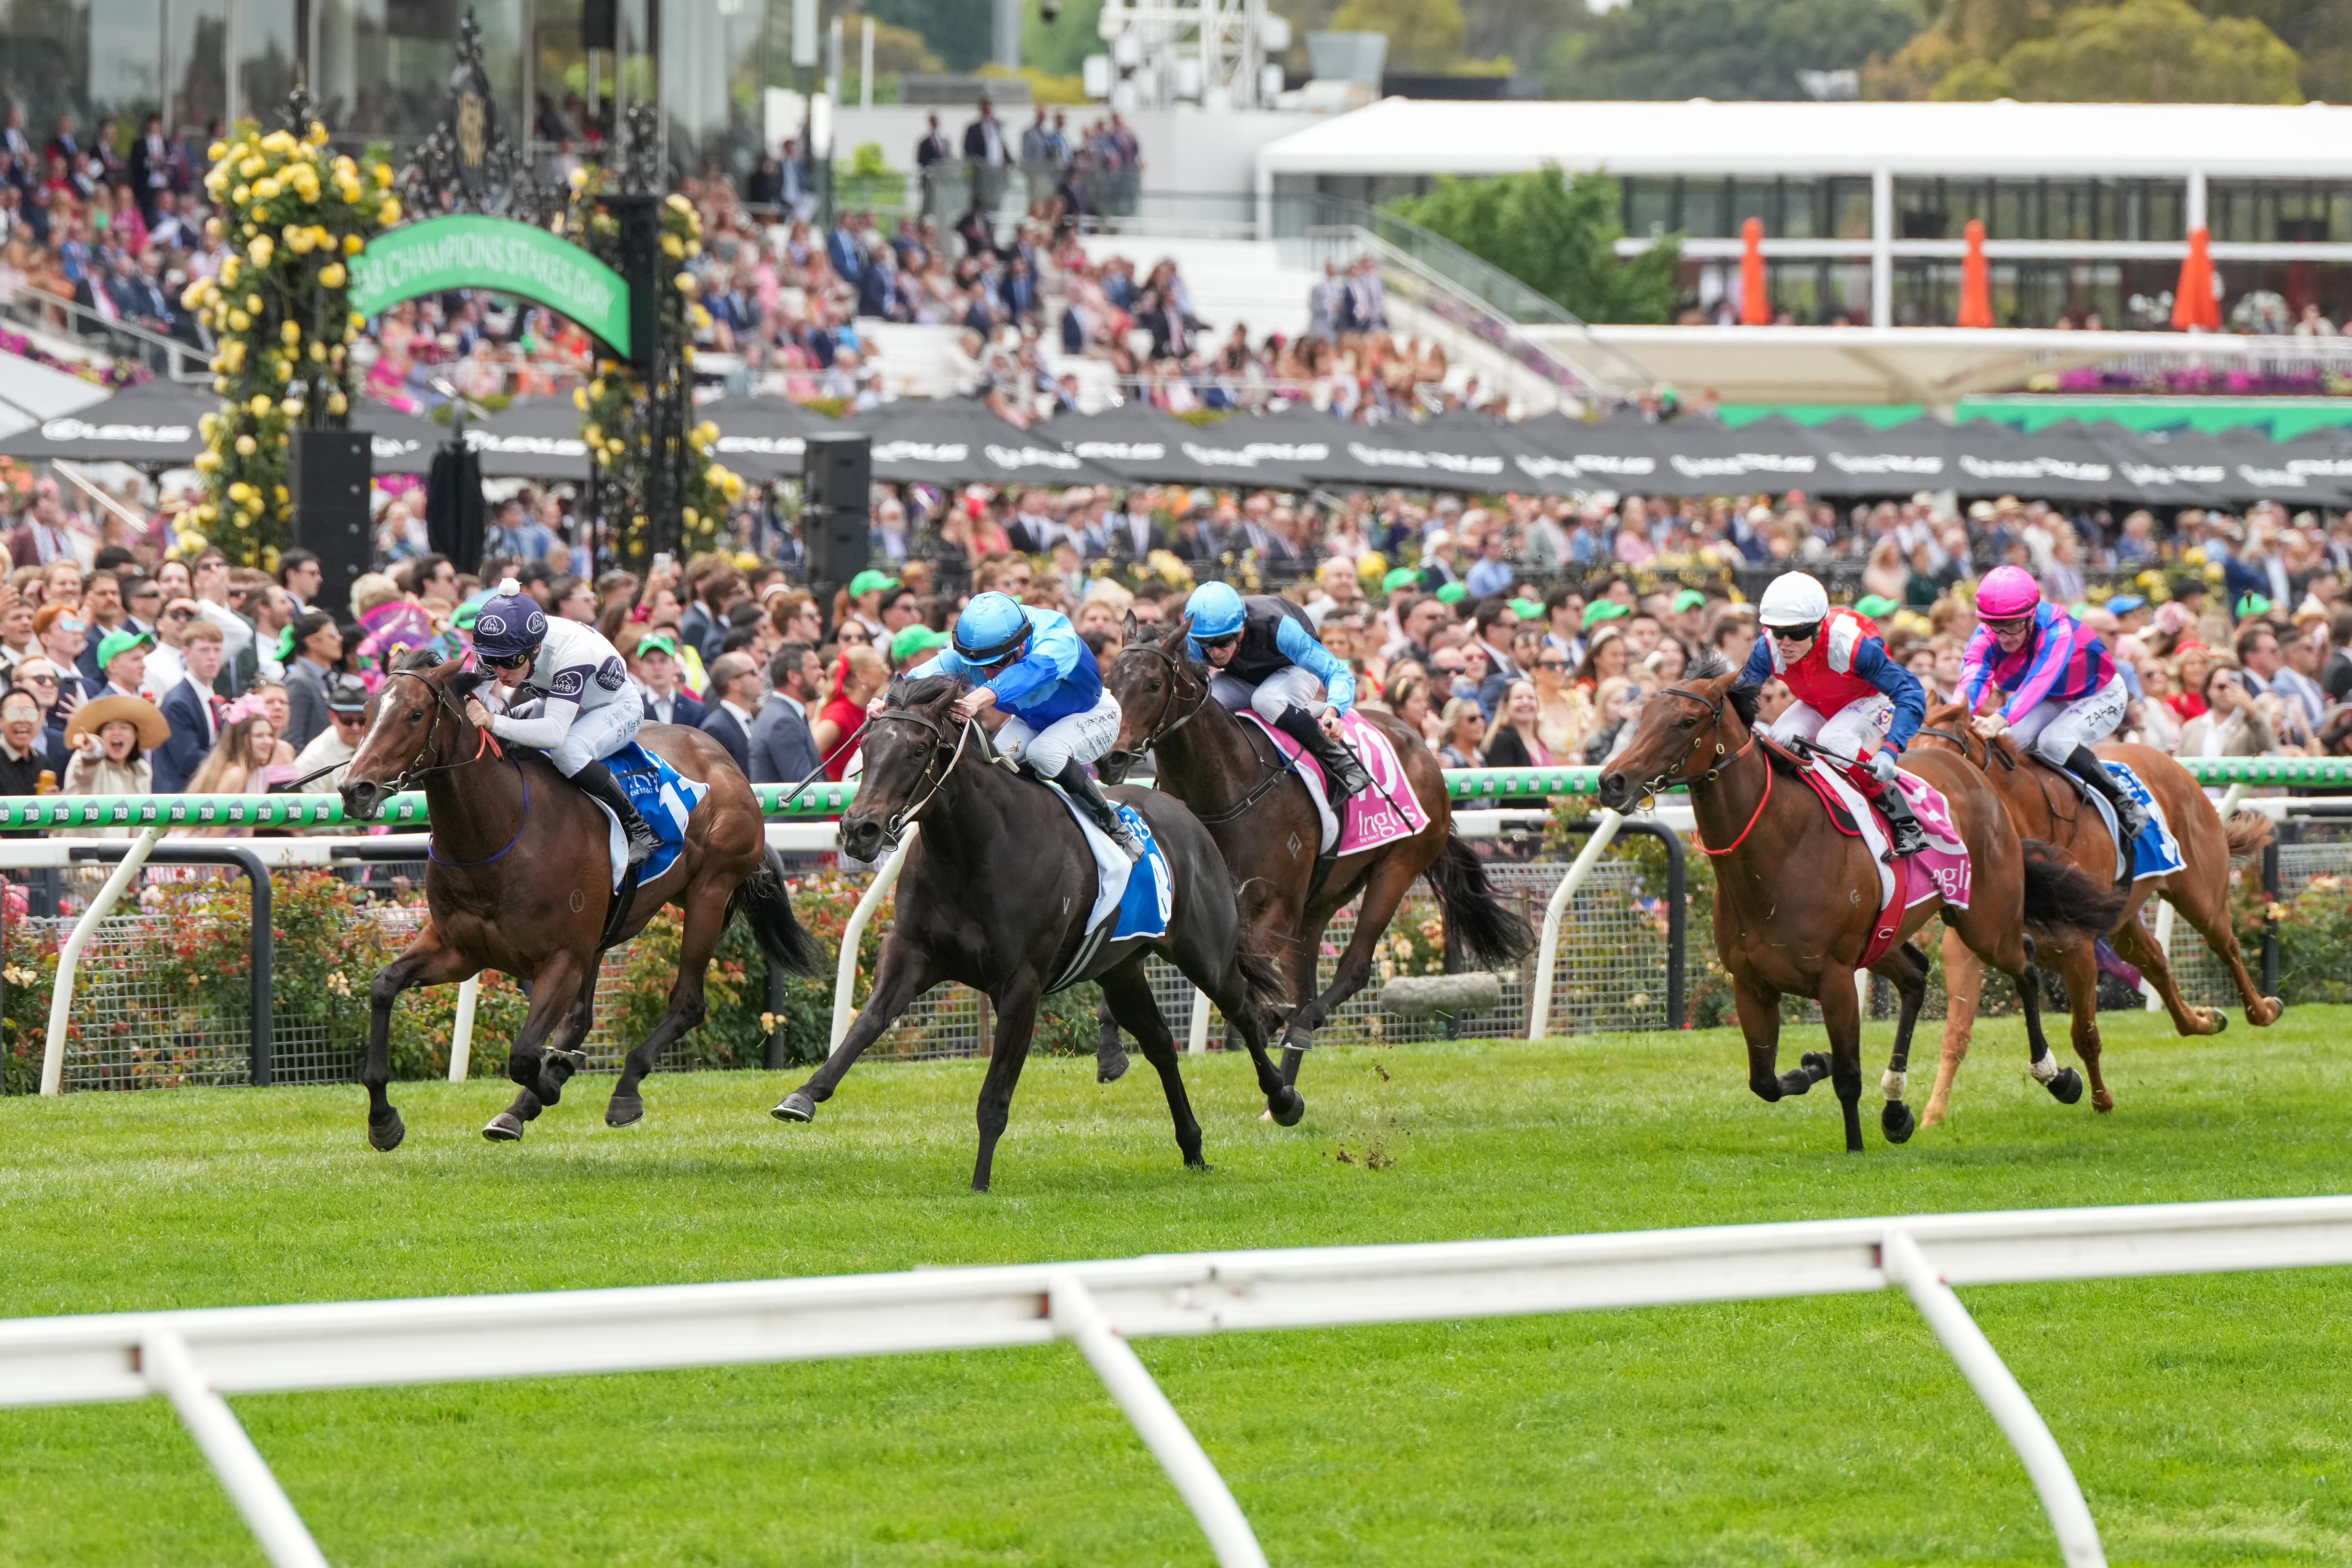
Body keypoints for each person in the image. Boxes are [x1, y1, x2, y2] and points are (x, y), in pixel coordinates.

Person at [893, 590, 1135, 857]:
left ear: (1021, 646)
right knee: (997, 765)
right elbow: (917, 677)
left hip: (1092, 714)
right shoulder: (971, 651)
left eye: (997, 663)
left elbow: (1030, 673)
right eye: (977, 664)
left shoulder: (1057, 636)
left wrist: (979, 698)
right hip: (1033, 722)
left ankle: (1117, 831)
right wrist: (887, 703)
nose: (987, 673)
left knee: (1045, 753)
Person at [461, 577, 661, 867]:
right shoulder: (502, 650)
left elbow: (555, 734)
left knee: (567, 752)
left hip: (617, 707)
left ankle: (640, 830)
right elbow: (471, 696)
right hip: (563, 700)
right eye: (491, 661)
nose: (500, 672)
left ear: (536, 648)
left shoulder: (573, 654)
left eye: (511, 662)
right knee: (508, 732)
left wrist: (491, 720)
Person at [1742, 571, 1931, 856]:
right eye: (1778, 632)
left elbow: (1912, 693)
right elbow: (1739, 698)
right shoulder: (1767, 647)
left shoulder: (1850, 644)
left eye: (1797, 633)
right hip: (1820, 702)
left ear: (1818, 628)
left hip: (1869, 698)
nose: (1786, 643)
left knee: (1835, 739)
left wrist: (1890, 750)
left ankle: (1905, 821)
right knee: (1780, 740)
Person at [1960, 563, 2147, 841]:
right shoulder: (1986, 635)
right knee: (2011, 743)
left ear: (2031, 616)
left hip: (2100, 694)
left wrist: (2000, 718)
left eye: (2011, 626)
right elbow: (1972, 676)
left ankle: (2124, 803)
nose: (2003, 637)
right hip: (2055, 698)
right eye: (1995, 626)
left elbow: (2039, 681)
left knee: (2053, 741)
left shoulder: (2056, 629)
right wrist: (1959, 714)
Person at [1180, 580, 1371, 800]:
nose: (1214, 652)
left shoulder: (1278, 627)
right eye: (1205, 643)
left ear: (1241, 630)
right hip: (1243, 677)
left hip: (1295, 670)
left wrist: (1333, 712)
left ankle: (1342, 762)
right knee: (1205, 703)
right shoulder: (1195, 638)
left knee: (1265, 699)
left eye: (1222, 642)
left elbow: (1336, 671)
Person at [151, 618, 227, 792]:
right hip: (178, 799)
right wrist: (231, 761)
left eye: (217, 650)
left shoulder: (210, 697)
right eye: (204, 650)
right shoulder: (178, 702)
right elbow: (188, 760)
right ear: (187, 654)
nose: (212, 657)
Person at [749, 640, 822, 784]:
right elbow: (805, 787)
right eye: (814, 668)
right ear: (794, 677)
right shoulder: (783, 722)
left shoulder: (786, 713)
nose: (821, 673)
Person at [290, 675, 370, 790]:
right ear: (332, 717)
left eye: (363, 720)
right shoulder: (313, 762)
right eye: (347, 721)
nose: (356, 727)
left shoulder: (380, 746)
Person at [279, 609, 340, 751]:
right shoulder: (299, 681)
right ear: (312, 642)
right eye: (333, 634)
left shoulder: (329, 678)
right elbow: (292, 741)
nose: (340, 639)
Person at [696, 651, 763, 775]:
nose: (762, 676)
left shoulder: (754, 718)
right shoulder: (716, 729)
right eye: (754, 672)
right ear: (735, 684)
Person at [635, 633, 704, 727]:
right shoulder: (634, 712)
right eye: (650, 661)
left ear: (675, 665)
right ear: (641, 668)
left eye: (663, 660)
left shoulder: (697, 711)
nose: (657, 668)